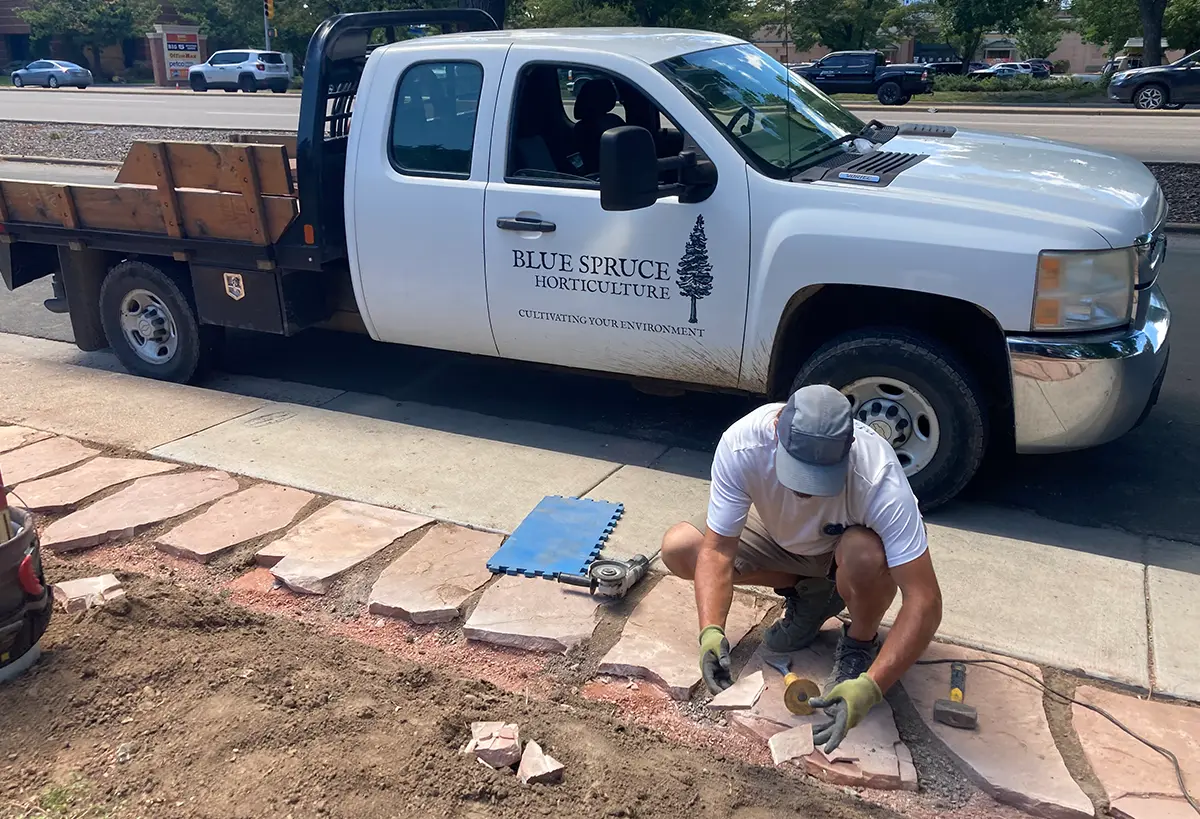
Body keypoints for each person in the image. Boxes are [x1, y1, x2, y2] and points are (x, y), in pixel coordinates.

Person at [661, 384, 943, 753]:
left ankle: (859, 642)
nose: (806, 491)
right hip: (781, 538)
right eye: (797, 470)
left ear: (848, 448)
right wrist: (710, 631)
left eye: (820, 475)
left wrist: (873, 686)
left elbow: (924, 600)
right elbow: (717, 552)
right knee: (681, 549)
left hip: (843, 549)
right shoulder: (744, 443)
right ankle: (809, 594)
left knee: (865, 557)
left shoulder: (878, 476)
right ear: (777, 429)